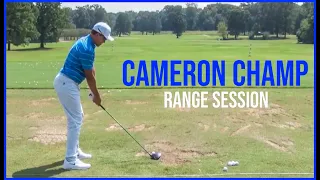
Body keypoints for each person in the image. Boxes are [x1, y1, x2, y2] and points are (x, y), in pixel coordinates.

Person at [53, 22, 114, 170]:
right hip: (66, 83)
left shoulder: (88, 42)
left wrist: (94, 92)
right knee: (76, 119)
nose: (104, 41)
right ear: (97, 34)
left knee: (77, 116)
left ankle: (75, 151)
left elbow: (91, 70)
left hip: (68, 83)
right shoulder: (87, 48)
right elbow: (89, 77)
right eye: (104, 38)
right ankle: (70, 160)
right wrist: (97, 97)